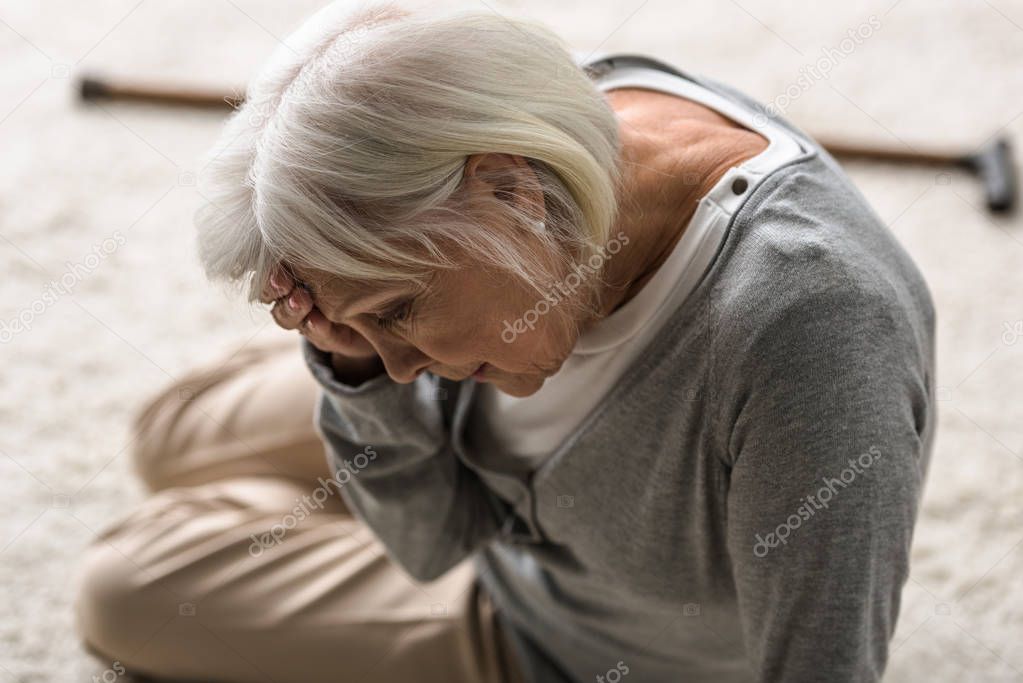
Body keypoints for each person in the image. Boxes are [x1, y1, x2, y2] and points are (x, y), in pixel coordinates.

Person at [74, 1, 937, 681]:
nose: (401, 367)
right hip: (493, 448)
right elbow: (423, 487)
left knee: (124, 589)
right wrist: (351, 364)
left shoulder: (811, 337)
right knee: (169, 431)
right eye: (373, 325)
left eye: (399, 312)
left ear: (512, 191)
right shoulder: (535, 121)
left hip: (560, 633)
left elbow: (435, 541)